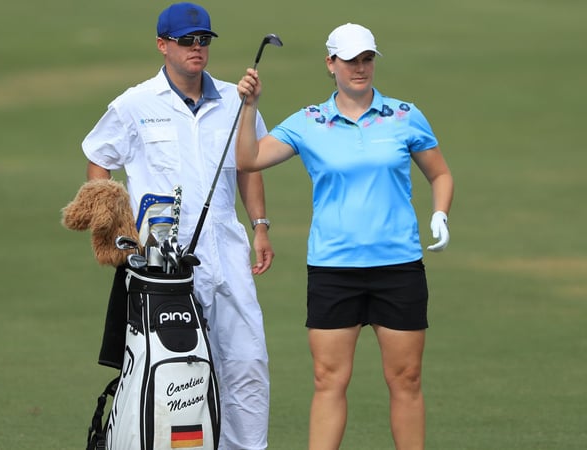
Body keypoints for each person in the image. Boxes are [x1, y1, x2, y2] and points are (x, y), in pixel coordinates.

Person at [236, 23, 453, 450]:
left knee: (406, 379)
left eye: (367, 59)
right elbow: (249, 158)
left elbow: (440, 173)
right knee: (328, 379)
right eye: (351, 60)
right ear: (330, 63)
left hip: (398, 265)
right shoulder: (310, 121)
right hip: (334, 268)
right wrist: (249, 108)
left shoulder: (404, 116)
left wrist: (440, 213)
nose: (360, 68)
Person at [81, 3, 274, 449]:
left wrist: (260, 225)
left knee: (246, 364)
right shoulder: (134, 103)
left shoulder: (233, 100)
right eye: (186, 40)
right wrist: (114, 223)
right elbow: (99, 158)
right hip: (161, 265)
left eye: (203, 40)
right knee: (174, 372)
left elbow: (249, 165)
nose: (196, 48)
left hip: (226, 250)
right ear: (162, 45)